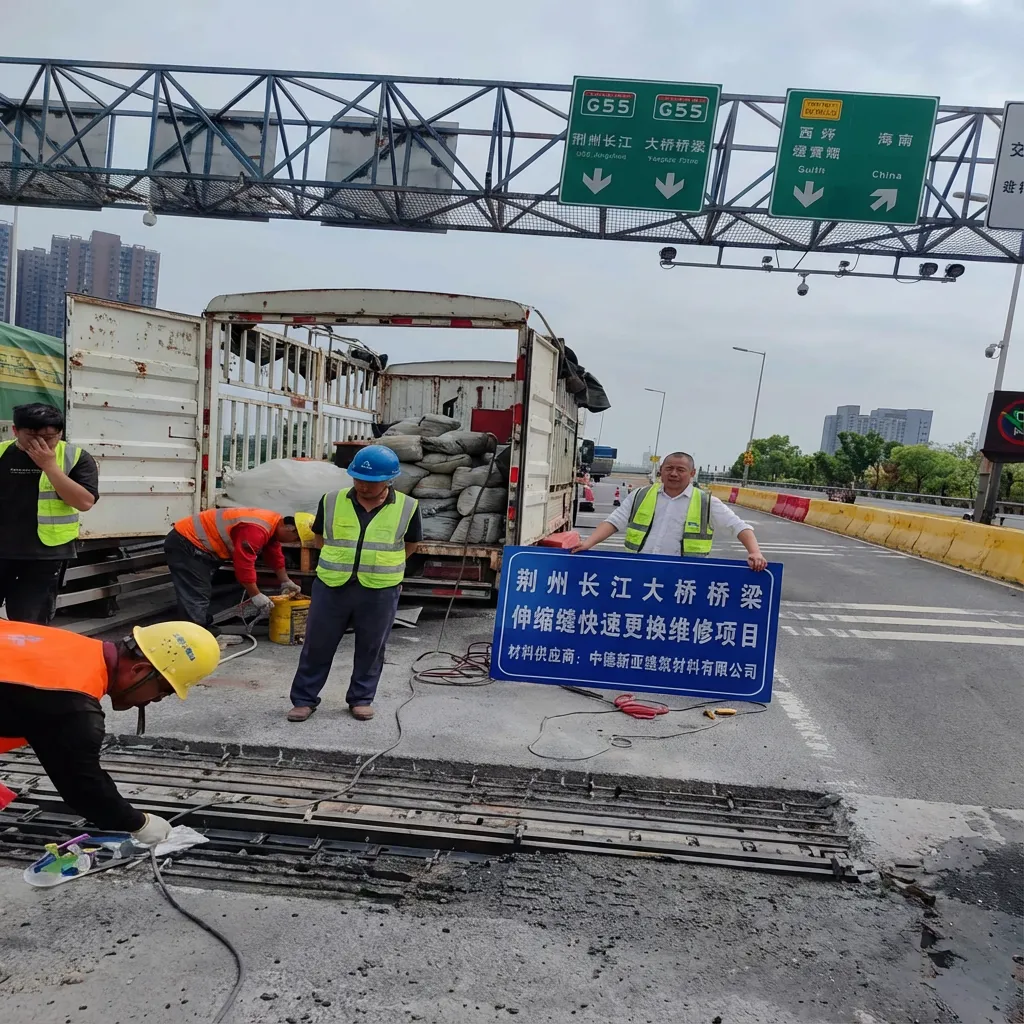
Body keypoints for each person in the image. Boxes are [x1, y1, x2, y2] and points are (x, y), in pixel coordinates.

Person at [0, 618, 220, 845]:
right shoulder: (73, 704)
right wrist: (137, 823)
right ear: (140, 670)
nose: (155, 700)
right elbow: (81, 784)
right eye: (163, 691)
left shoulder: (70, 645)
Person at [287, 445, 422, 723]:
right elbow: (319, 539)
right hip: (332, 585)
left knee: (372, 647)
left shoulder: (408, 507)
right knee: (317, 644)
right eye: (358, 479)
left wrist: (382, 566)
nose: (363, 486)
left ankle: (361, 699)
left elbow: (411, 544)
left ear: (389, 480)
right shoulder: (332, 500)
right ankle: (303, 699)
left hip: (380, 588)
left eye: (371, 482)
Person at [574, 451, 768, 570]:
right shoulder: (641, 495)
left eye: (680, 469)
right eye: (669, 468)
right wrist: (587, 544)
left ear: (692, 473)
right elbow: (614, 521)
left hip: (683, 577)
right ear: (661, 470)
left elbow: (739, 526)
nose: (674, 473)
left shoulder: (706, 502)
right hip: (638, 571)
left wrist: (755, 553)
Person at [0, 403, 100, 624]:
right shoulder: (2, 453)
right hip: (2, 549)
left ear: (61, 433)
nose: (41, 443)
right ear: (16, 431)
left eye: (49, 437)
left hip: (45, 555)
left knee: (31, 624)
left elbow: (84, 502)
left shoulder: (76, 457)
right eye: (33, 436)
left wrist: (50, 466)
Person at [164, 507, 303, 635]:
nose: (293, 542)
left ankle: (202, 630)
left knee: (199, 591)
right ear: (290, 529)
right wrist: (256, 595)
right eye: (296, 538)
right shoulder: (256, 530)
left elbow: (275, 555)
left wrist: (286, 581)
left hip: (193, 542)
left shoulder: (272, 523)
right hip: (187, 542)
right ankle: (195, 637)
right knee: (196, 593)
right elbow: (244, 563)